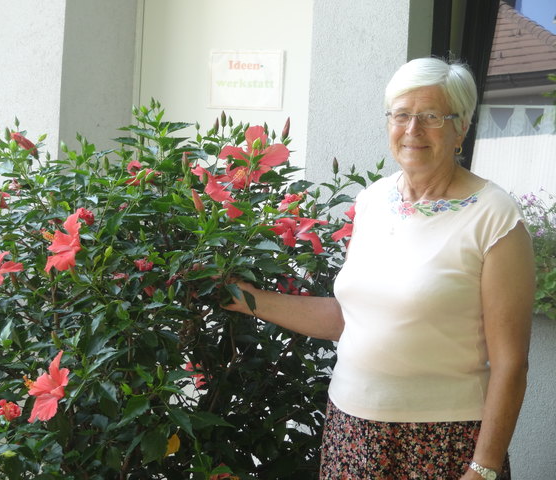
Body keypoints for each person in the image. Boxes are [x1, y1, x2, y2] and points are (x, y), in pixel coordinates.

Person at [224, 57, 535, 480]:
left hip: (445, 439)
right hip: (353, 429)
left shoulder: (495, 217)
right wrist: (246, 299)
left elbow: (511, 363)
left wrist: (483, 468)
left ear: (460, 127)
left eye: (430, 116)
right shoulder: (373, 200)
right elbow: (348, 319)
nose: (412, 130)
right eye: (401, 115)